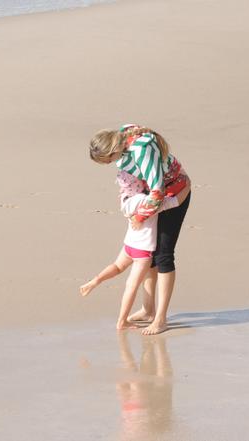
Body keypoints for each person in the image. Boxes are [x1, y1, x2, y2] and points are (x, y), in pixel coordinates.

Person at [88, 124, 191, 335]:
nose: (111, 164)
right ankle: (147, 309)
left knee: (164, 255)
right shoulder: (122, 134)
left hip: (174, 193)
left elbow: (157, 191)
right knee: (151, 255)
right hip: (151, 198)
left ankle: (160, 318)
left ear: (113, 150)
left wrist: (139, 216)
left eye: (108, 160)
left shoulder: (142, 153)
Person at [80, 179, 191, 330]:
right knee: (131, 286)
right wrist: (187, 186)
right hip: (142, 253)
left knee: (117, 267)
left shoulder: (126, 202)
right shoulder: (149, 202)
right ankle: (122, 321)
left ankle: (95, 281)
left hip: (128, 246)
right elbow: (174, 202)